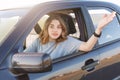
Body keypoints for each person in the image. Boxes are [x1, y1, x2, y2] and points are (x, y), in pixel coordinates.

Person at [24, 12, 116, 59]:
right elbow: (23, 56)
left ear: (62, 30)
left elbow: (87, 47)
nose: (55, 30)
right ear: (46, 28)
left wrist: (99, 29)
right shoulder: (39, 41)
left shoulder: (67, 41)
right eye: (51, 26)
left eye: (59, 27)